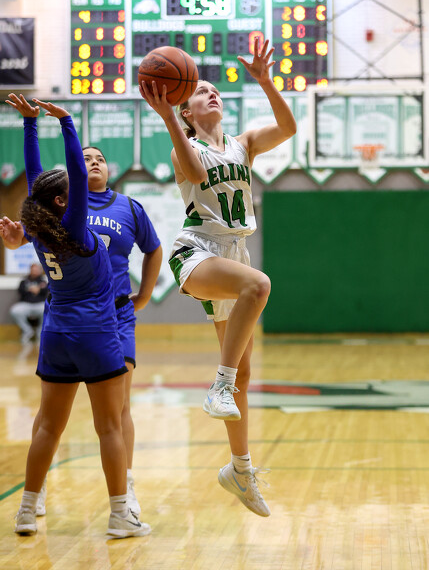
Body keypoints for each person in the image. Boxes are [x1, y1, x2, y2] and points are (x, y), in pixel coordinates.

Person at [139, 37, 297, 516]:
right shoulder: (184, 146)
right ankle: (218, 385)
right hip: (197, 250)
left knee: (245, 371)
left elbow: (288, 128)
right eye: (200, 91)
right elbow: (193, 172)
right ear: (186, 110)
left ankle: (240, 469)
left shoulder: (244, 145)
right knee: (258, 285)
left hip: (234, 251)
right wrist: (168, 119)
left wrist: (266, 82)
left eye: (214, 90)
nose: (211, 92)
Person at [5, 92, 150, 539]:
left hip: (56, 334)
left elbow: (35, 179)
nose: (80, 185)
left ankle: (26, 510)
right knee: (109, 426)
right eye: (73, 188)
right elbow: (68, 173)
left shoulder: (39, 230)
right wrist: (67, 123)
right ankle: (120, 515)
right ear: (64, 200)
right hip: (96, 333)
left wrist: (30, 125)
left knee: (47, 427)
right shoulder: (75, 226)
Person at [10, 262, 48, 343]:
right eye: (33, 270)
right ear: (30, 270)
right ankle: (27, 331)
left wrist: (39, 289)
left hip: (40, 304)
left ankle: (40, 333)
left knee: (47, 310)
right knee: (15, 310)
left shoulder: (43, 281)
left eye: (36, 270)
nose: (35, 271)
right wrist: (30, 289)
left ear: (40, 271)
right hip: (26, 304)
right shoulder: (24, 281)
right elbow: (21, 291)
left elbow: (46, 291)